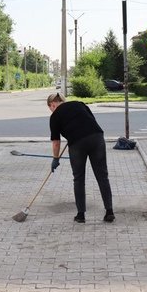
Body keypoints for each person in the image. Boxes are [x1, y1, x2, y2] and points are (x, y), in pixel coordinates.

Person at [47, 93, 114, 223]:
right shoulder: (80, 104)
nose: (51, 110)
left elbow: (56, 142)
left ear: (52, 104)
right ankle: (109, 212)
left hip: (77, 145)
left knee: (79, 179)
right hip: (96, 138)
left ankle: (81, 215)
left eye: (50, 108)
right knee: (102, 176)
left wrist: (55, 158)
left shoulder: (54, 116)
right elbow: (91, 121)